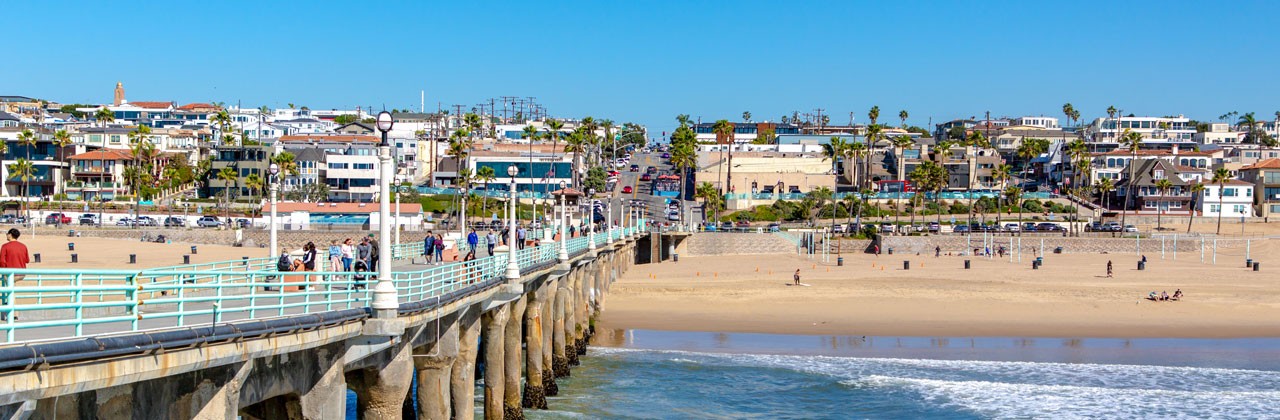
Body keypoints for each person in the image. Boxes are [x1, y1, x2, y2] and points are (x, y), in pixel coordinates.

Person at [0, 228, 29, 321]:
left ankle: (14, 314)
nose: (6, 235)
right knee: (11, 290)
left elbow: (2, 261)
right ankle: (11, 311)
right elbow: (27, 260)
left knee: (10, 292)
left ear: (10, 235)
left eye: (7, 234)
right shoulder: (23, 246)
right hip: (22, 273)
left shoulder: (5, 246)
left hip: (10, 273)